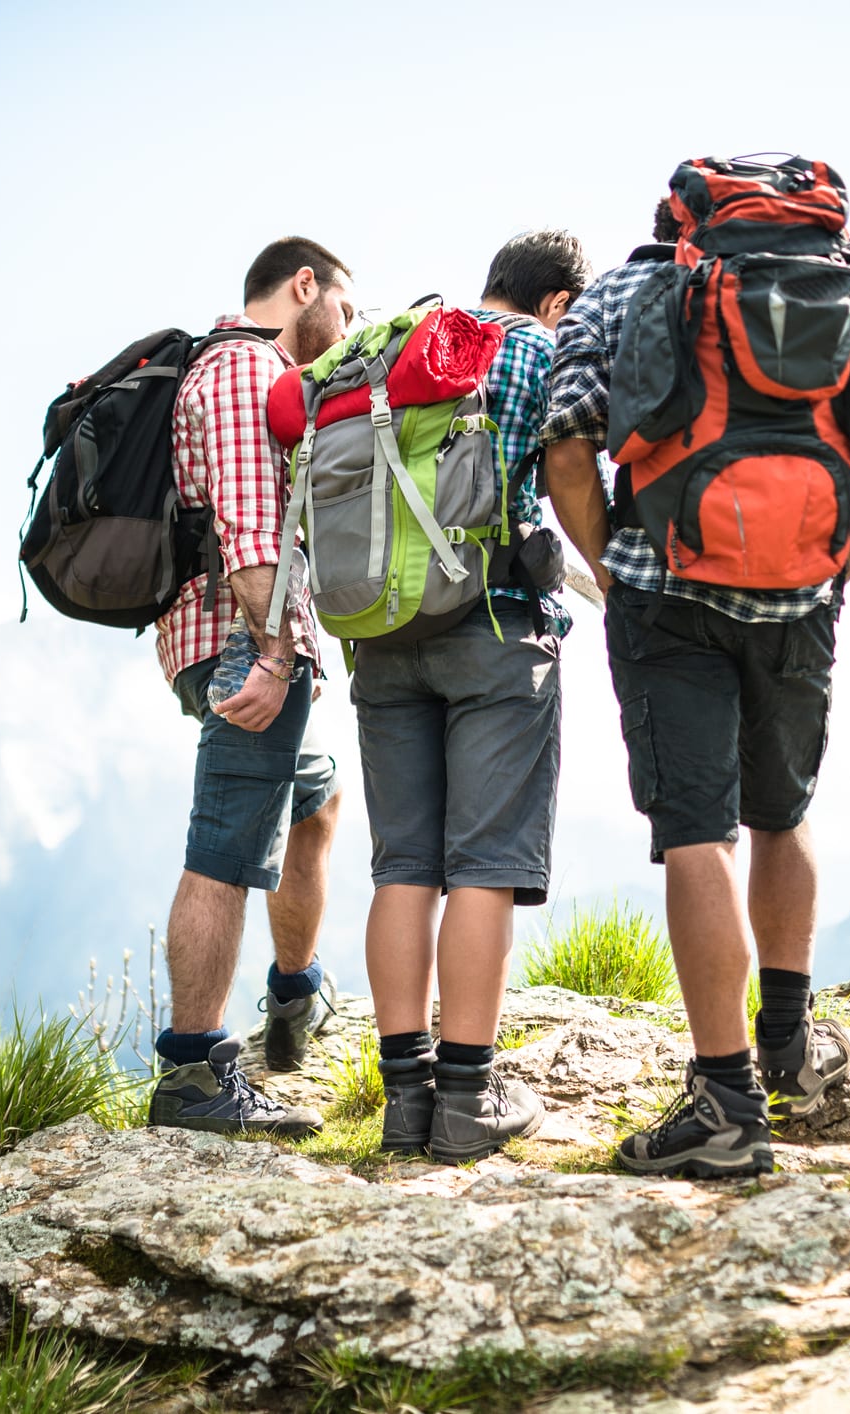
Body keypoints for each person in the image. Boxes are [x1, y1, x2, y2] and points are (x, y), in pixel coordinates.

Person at [541, 198, 850, 1179]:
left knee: (695, 830)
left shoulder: (626, 292)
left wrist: (618, 572)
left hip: (665, 596)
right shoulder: (839, 290)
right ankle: (791, 1050)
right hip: (799, 597)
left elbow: (564, 448)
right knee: (780, 810)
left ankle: (724, 1100)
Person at [362, 230, 591, 1164]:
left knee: (403, 868)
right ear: (556, 302)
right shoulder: (540, 349)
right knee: (486, 866)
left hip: (381, 634)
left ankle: (402, 1099)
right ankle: (467, 1097)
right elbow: (573, 472)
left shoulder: (401, 341)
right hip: (494, 628)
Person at [146, 237, 358, 1137]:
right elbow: (250, 531)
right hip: (244, 638)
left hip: (243, 635)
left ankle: (293, 992)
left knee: (317, 799)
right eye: (346, 309)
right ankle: (195, 1075)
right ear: (303, 286)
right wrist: (275, 656)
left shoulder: (240, 370)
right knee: (225, 849)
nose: (348, 329)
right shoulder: (241, 368)